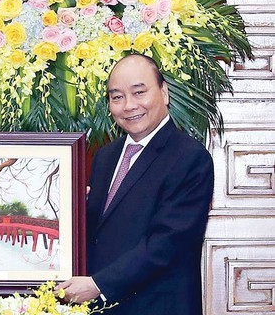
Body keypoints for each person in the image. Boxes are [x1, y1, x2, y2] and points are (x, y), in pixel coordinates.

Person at [57, 54, 214, 315]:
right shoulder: (105, 157)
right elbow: (103, 232)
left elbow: (167, 243)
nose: (129, 105)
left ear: (164, 93)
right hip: (101, 307)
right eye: (117, 97)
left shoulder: (190, 158)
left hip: (157, 307)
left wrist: (99, 284)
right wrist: (75, 212)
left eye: (139, 92)